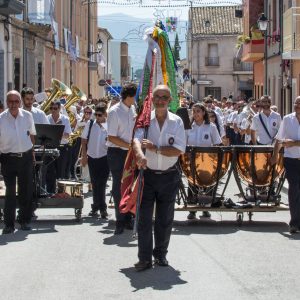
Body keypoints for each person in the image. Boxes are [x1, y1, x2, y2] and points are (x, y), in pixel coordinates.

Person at [133, 85, 186, 271]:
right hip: (147, 175)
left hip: (169, 176)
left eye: (164, 97)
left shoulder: (177, 122)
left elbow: (178, 150)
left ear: (170, 100)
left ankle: (161, 254)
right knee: (144, 219)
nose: (160, 100)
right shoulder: (145, 119)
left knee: (164, 219)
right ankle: (144, 258)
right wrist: (139, 155)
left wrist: (155, 148)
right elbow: (137, 140)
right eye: (157, 96)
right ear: (152, 99)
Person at [0, 90, 36, 234]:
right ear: (7, 102)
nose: (13, 104)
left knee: (25, 191)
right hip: (8, 158)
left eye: (16, 101)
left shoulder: (27, 116)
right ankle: (9, 224)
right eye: (10, 101)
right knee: (9, 192)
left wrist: (32, 152)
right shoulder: (1, 118)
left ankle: (24, 220)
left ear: (20, 102)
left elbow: (32, 134)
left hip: (25, 157)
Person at [107, 83, 137, 235]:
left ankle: (128, 217)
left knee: (131, 186)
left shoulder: (132, 109)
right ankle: (119, 220)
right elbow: (111, 137)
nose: (135, 99)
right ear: (129, 96)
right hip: (117, 152)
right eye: (134, 96)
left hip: (130, 152)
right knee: (119, 186)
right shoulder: (114, 111)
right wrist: (128, 145)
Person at [186, 103, 222, 220]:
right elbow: (184, 143)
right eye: (193, 111)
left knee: (208, 184)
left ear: (203, 113)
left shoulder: (211, 126)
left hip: (207, 160)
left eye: (198, 111)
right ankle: (192, 209)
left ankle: (206, 208)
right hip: (192, 159)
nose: (195, 114)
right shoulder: (188, 127)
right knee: (192, 184)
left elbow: (217, 143)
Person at [271, 96, 300, 234]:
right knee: (293, 189)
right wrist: (275, 155)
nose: (297, 106)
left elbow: (289, 142)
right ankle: (294, 222)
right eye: (296, 103)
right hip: (291, 160)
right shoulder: (287, 119)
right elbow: (279, 139)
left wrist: (293, 143)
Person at [81, 105, 109, 218]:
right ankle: (96, 207)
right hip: (92, 157)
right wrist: (84, 156)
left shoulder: (109, 125)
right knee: (94, 183)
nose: (97, 117)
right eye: (96, 115)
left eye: (99, 115)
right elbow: (84, 140)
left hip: (104, 157)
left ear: (105, 115)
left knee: (101, 184)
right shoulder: (90, 123)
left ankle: (101, 208)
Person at [46, 100, 72, 193]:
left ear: (59, 109)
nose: (53, 110)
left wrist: (57, 131)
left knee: (61, 170)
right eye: (51, 108)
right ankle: (50, 191)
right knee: (50, 170)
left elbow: (68, 135)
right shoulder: (47, 118)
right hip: (50, 146)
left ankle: (61, 192)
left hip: (62, 146)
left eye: (55, 108)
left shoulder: (65, 119)